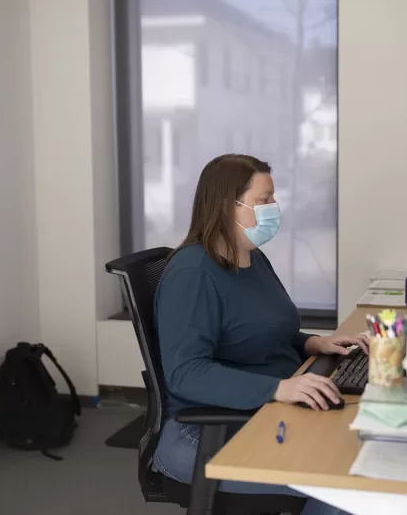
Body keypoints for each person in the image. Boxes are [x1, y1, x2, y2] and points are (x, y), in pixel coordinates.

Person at [153, 154, 366, 515]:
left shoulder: (250, 256)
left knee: (353, 455)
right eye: (263, 199)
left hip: (260, 414)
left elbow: (261, 327)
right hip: (204, 434)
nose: (274, 207)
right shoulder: (192, 275)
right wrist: (278, 388)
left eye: (273, 197)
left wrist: (312, 342)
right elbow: (185, 373)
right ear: (226, 206)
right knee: (340, 483)